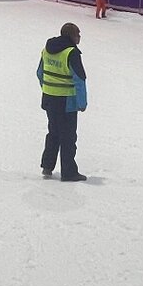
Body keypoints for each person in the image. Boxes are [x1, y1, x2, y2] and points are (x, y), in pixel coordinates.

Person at [36, 21, 88, 182]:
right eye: (78, 34)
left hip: (49, 99)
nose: (79, 37)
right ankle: (69, 172)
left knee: (53, 133)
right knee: (68, 137)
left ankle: (47, 166)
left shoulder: (47, 49)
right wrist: (82, 103)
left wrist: (47, 89)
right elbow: (79, 79)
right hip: (66, 102)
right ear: (72, 36)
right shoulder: (71, 53)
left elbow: (39, 73)